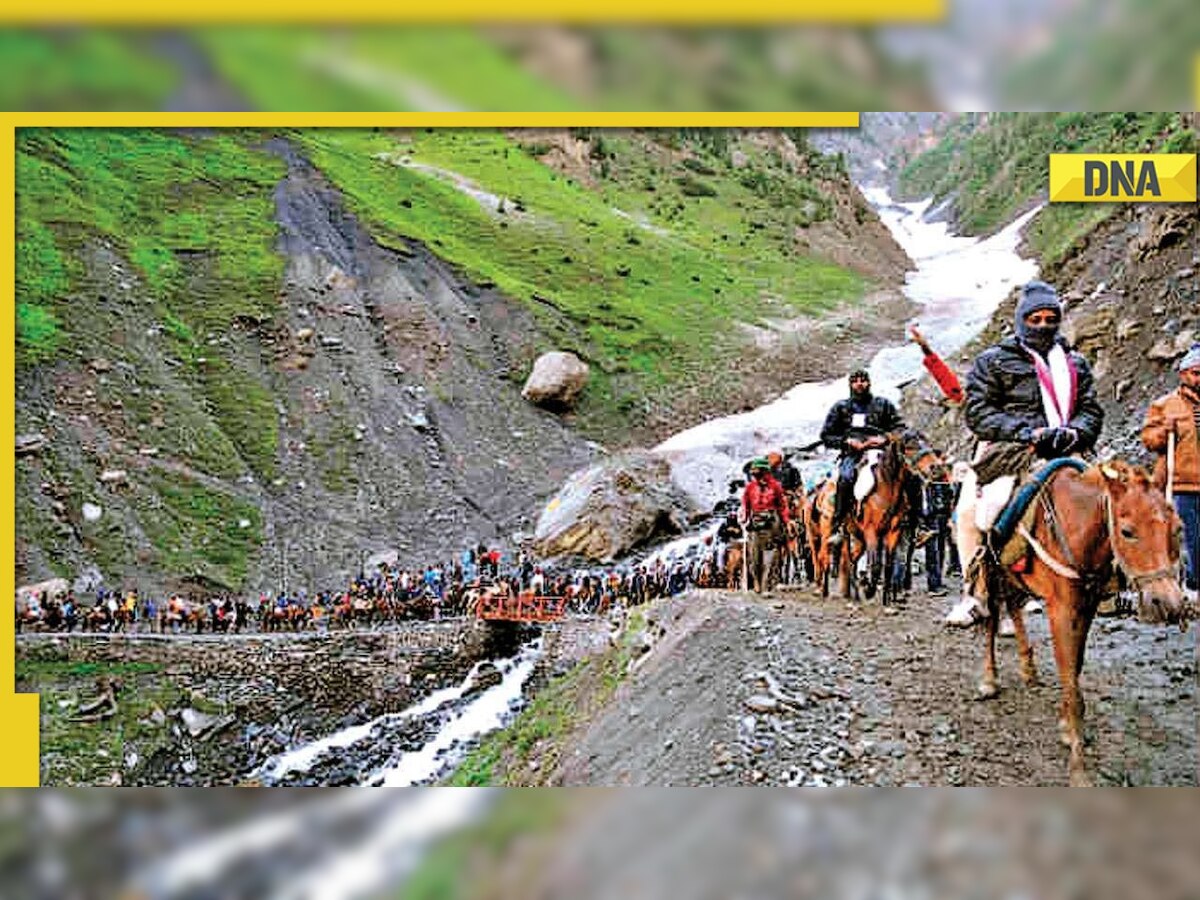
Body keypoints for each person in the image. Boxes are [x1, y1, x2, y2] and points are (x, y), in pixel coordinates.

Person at [946, 280, 1104, 625]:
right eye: (1036, 319)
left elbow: (1091, 408)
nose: (1044, 325)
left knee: (1115, 500)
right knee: (974, 513)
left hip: (1067, 446)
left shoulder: (1075, 362)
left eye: (1051, 319)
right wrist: (1026, 433)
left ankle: (1111, 586)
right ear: (1021, 321)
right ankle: (975, 593)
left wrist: (1075, 431)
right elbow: (979, 412)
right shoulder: (993, 360)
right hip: (1008, 449)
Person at [819, 368, 905, 547]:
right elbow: (826, 435)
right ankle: (839, 526)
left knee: (908, 477)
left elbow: (899, 427)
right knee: (846, 477)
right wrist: (846, 441)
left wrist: (885, 438)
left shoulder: (883, 404)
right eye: (855, 381)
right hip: (853, 454)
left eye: (863, 380)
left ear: (869, 383)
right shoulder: (841, 407)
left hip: (882, 453)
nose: (859, 384)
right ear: (850, 384)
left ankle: (916, 524)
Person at [1141, 343, 1200, 598]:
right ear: (1183, 374)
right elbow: (1149, 440)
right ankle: (1193, 587)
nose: (1199, 378)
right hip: (1181, 485)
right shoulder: (1165, 405)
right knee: (1192, 541)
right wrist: (1164, 431)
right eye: (1196, 373)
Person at [740, 457, 790, 593]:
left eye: (758, 473)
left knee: (771, 555)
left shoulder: (776, 486)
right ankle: (756, 581)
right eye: (754, 474)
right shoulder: (750, 487)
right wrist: (744, 517)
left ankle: (767, 584)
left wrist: (786, 521)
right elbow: (745, 504)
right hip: (755, 521)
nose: (756, 476)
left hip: (771, 522)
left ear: (765, 472)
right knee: (754, 556)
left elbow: (782, 505)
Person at [910, 324, 964, 405]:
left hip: (939, 371)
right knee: (926, 349)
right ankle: (915, 333)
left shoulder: (954, 392)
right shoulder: (955, 392)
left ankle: (915, 334)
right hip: (938, 369)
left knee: (926, 349)